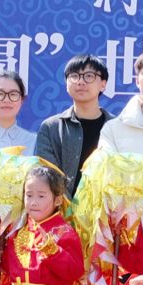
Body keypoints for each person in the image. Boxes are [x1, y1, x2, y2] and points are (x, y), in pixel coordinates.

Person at [0, 165, 85, 285]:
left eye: (41, 196)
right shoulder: (18, 233)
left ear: (57, 200)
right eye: (29, 195)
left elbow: (74, 271)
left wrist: (52, 250)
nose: (33, 202)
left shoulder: (64, 232)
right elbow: (9, 270)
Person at [33, 54, 112, 197]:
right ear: (66, 83)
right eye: (74, 76)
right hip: (62, 208)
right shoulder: (51, 127)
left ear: (103, 84)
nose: (80, 82)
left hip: (106, 209)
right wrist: (70, 206)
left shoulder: (115, 127)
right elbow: (47, 175)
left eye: (89, 76)